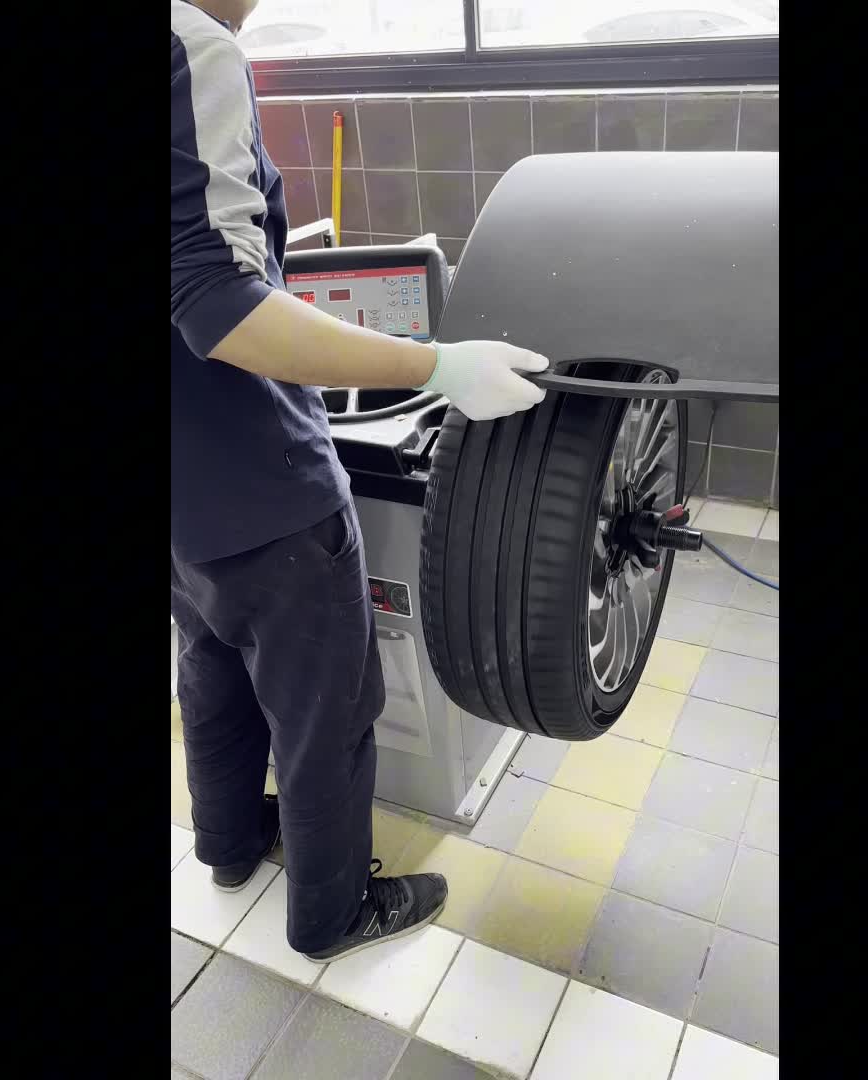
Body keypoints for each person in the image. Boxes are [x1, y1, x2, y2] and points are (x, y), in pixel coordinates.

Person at [170, 0, 550, 963]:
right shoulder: (193, 45)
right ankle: (333, 914)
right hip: (260, 478)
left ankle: (228, 846)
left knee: (211, 662)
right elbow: (219, 301)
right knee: (325, 711)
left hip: (180, 491)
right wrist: (435, 365)